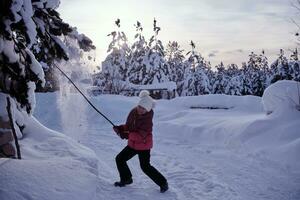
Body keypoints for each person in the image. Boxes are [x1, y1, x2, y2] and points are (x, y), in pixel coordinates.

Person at [113, 90, 169, 193]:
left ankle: (163, 183)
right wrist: (120, 128)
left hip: (144, 146)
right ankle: (126, 179)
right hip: (132, 145)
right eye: (140, 107)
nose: (141, 110)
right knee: (120, 159)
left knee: (145, 167)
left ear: (147, 109)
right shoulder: (133, 112)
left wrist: (127, 134)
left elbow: (140, 136)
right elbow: (129, 127)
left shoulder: (147, 120)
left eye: (143, 108)